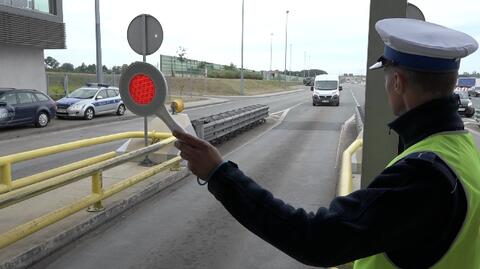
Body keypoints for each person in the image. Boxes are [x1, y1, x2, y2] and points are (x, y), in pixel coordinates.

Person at [174, 18, 480, 268]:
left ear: (397, 82)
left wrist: (220, 174)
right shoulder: (462, 149)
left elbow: (316, 240)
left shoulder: (422, 176)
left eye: (387, 78)